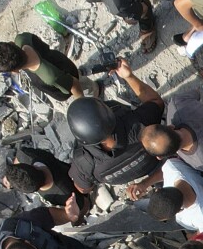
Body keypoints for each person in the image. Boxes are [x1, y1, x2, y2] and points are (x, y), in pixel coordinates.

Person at [67, 68, 164, 198]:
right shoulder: (138, 124)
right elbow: (156, 102)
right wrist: (129, 76)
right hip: (160, 162)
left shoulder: (83, 163)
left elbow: (84, 189)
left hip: (145, 174)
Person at [0, 35, 82, 102]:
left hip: (67, 83)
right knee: (67, 77)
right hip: (60, 62)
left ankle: (95, 88)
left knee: (86, 86)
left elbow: (74, 85)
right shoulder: (22, 38)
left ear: (14, 71)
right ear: (11, 43)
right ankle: (82, 73)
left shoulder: (49, 77)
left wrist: (83, 103)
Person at [143, 156, 203, 234]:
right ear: (158, 189)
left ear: (179, 211)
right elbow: (164, 171)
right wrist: (144, 183)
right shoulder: (172, 167)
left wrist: (195, 236)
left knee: (190, 231)